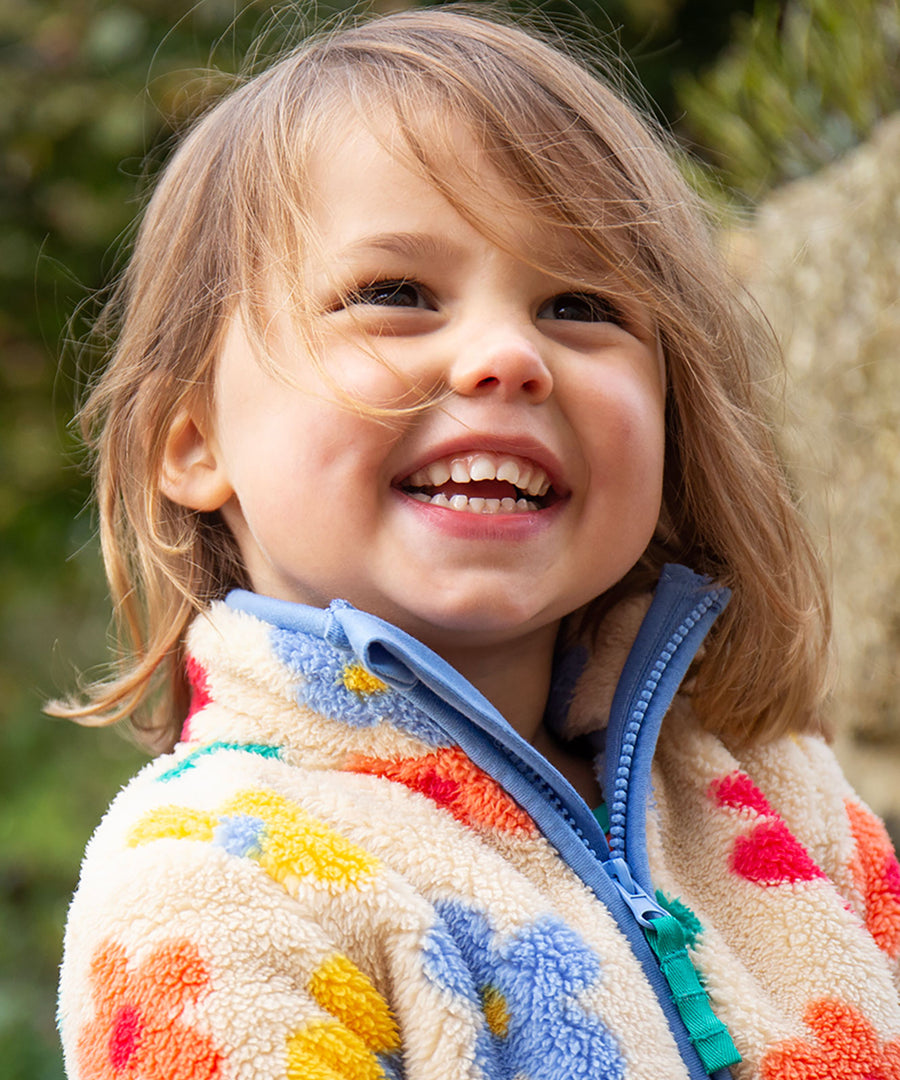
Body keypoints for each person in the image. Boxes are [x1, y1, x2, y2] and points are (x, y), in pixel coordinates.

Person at [55, 8, 900, 1080]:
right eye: (396, 295)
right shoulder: (215, 883)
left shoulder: (778, 789)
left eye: (582, 304)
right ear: (191, 441)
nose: (507, 355)